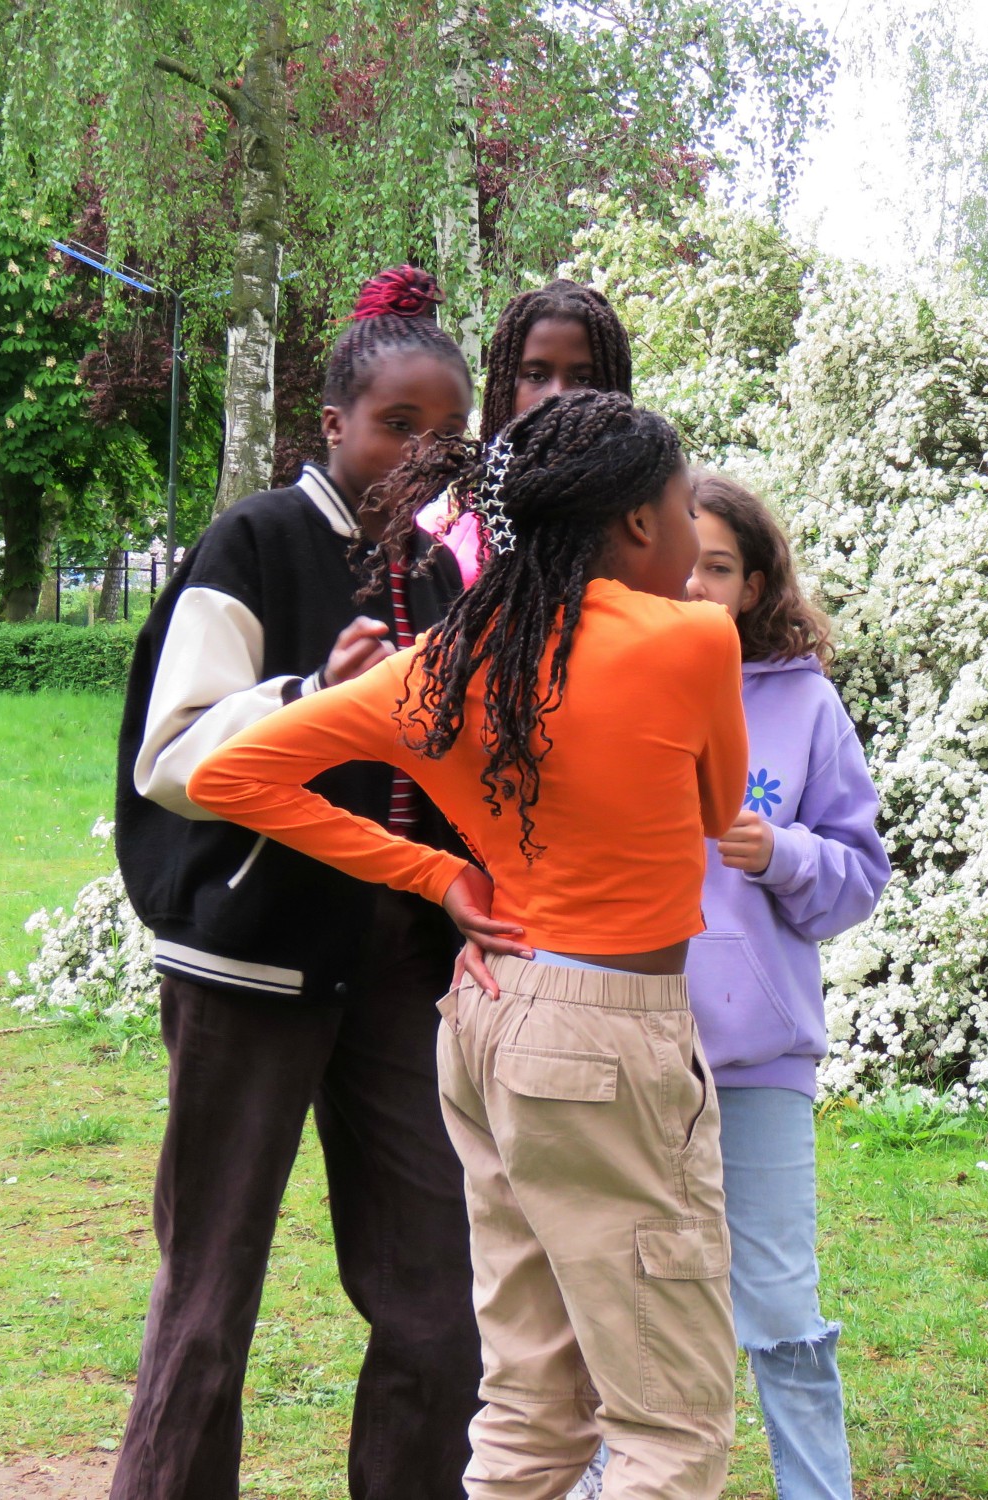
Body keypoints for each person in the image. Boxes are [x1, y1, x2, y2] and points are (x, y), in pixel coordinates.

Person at [188, 389, 748, 1500]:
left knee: (529, 1406)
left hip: (488, 1019)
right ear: (638, 523)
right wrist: (437, 870)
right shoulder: (692, 639)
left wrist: (440, 874)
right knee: (669, 1427)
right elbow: (714, 808)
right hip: (609, 1038)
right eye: (685, 510)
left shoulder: (438, 662)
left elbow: (226, 774)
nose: (694, 541)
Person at [110, 265, 482, 1500]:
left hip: (399, 971)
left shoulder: (439, 580)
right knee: (209, 1296)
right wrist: (320, 699)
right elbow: (172, 756)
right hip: (253, 959)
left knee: (441, 1300)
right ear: (333, 425)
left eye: (446, 435)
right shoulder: (256, 541)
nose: (420, 455)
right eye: (397, 426)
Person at [675, 471, 889, 1498]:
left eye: (718, 566)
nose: (695, 583)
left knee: (780, 1310)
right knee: (624, 1312)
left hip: (759, 1058)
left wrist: (782, 854)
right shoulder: (613, 678)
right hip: (630, 1047)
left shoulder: (803, 706)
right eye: (680, 561)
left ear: (755, 583)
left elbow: (857, 879)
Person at [417, 278, 635, 584]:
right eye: (536, 375)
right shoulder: (442, 531)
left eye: (583, 379)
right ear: (504, 387)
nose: (557, 396)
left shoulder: (643, 519)